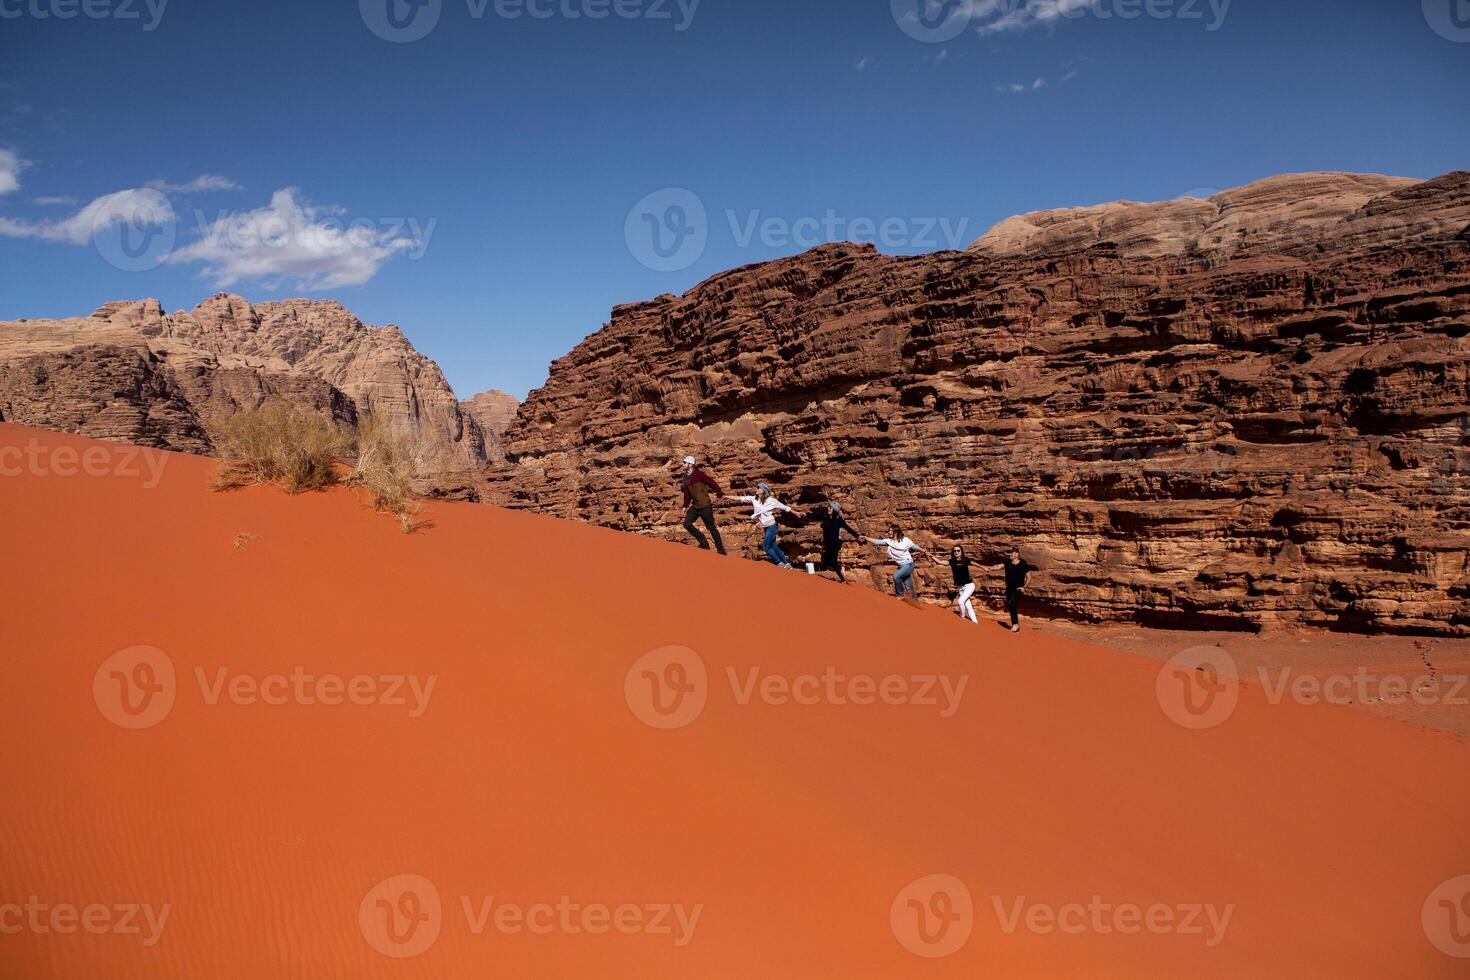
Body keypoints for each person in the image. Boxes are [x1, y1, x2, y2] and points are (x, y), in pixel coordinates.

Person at [730, 483, 795, 568]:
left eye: (758, 488)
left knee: (766, 547)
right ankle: (787, 564)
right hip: (766, 527)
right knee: (773, 546)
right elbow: (740, 498)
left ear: (763, 490)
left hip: (772, 526)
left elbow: (785, 507)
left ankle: (780, 564)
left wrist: (797, 513)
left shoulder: (771, 500)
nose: (756, 489)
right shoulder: (754, 499)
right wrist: (725, 496)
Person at [978, 547, 1038, 632]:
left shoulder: (1023, 563)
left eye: (1011, 553)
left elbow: (1029, 577)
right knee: (1011, 606)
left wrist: (1024, 587)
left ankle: (1015, 624)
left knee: (1011, 604)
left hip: (1018, 589)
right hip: (1009, 589)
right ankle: (1016, 625)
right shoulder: (1007, 563)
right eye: (1009, 553)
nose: (1010, 554)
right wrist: (989, 568)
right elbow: (998, 566)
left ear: (1017, 554)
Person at [677, 455, 725, 555]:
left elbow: (712, 482)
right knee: (687, 524)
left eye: (685, 462)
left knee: (711, 528)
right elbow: (687, 493)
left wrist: (719, 492)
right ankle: (704, 543)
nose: (683, 464)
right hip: (695, 506)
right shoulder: (685, 478)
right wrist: (685, 506)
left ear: (690, 465)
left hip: (705, 505)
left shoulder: (699, 474)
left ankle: (721, 550)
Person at [864, 525, 927, 601]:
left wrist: (923, 551)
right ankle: (915, 603)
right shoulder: (889, 541)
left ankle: (900, 595)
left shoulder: (905, 540)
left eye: (891, 531)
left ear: (896, 532)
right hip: (902, 566)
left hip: (909, 564)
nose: (889, 532)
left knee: (896, 576)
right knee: (909, 586)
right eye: (889, 531)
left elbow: (914, 547)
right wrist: (865, 538)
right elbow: (877, 542)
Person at [812, 500, 862, 582]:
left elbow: (848, 529)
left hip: (835, 543)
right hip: (827, 542)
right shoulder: (825, 517)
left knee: (832, 561)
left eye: (830, 507)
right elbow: (814, 516)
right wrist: (804, 514)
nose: (828, 508)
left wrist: (857, 536)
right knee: (825, 560)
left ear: (835, 510)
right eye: (828, 507)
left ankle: (842, 579)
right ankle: (823, 578)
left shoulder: (839, 520)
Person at [937, 545, 978, 623]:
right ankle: (975, 623)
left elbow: (975, 564)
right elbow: (940, 562)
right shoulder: (952, 561)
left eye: (958, 550)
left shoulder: (965, 560)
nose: (956, 552)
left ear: (961, 551)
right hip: (960, 587)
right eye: (955, 551)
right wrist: (931, 555)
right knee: (968, 606)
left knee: (960, 601)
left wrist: (984, 568)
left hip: (969, 585)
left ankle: (962, 617)